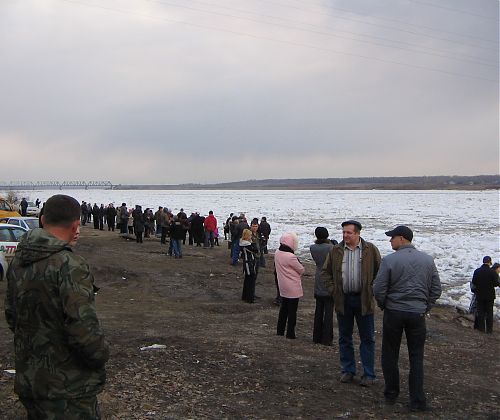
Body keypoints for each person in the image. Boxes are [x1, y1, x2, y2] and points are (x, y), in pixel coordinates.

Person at [5, 194, 109, 419]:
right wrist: (101, 356)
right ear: (76, 225)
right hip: (68, 388)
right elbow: (84, 331)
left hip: (31, 380)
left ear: (42, 220)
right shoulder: (69, 265)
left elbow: (12, 316)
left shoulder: (18, 261)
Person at [373, 225, 441, 412]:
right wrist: (424, 306)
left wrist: (384, 304)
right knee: (416, 357)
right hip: (417, 314)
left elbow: (378, 288)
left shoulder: (390, 260)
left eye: (392, 237)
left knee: (390, 354)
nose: (390, 241)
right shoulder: (427, 260)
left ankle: (391, 394)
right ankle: (417, 400)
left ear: (402, 238)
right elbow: (436, 289)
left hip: (394, 312)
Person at [321, 220, 381, 386]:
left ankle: (368, 374)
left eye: (349, 232)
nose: (345, 235)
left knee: (367, 338)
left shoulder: (370, 250)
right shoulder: (336, 251)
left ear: (358, 233)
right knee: (344, 337)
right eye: (344, 232)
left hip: (364, 300)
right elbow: (325, 272)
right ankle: (348, 370)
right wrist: (333, 290)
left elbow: (380, 271)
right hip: (344, 299)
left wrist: (372, 289)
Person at [275, 232, 305, 339]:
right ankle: (290, 333)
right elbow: (301, 269)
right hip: (293, 287)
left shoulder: (278, 252)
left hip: (282, 285)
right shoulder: (291, 256)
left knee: (283, 309)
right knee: (292, 311)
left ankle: (280, 330)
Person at [309, 227, 334, 346]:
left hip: (318, 277)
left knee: (318, 310)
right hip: (328, 278)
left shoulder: (313, 248)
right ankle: (327, 338)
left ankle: (316, 336)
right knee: (328, 312)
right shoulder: (330, 248)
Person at [471, 256, 500, 334]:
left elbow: (474, 281)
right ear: (490, 262)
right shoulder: (492, 272)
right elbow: (496, 283)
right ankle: (489, 330)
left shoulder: (477, 271)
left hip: (479, 295)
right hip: (490, 296)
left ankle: (481, 329)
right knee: (489, 313)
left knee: (481, 312)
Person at [240, 228, 258, 303]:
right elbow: (256, 250)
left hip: (247, 263)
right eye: (250, 235)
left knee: (247, 280)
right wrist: (253, 243)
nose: (251, 237)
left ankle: (245, 296)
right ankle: (250, 298)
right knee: (251, 280)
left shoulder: (242, 243)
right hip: (249, 263)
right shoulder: (248, 245)